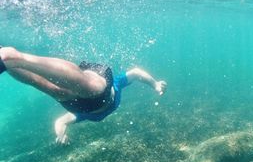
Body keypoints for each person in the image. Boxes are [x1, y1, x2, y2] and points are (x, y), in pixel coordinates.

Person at [0, 46, 167, 144]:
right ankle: (16, 56)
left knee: (54, 90)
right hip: (100, 81)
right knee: (93, 88)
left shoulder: (80, 115)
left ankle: (6, 63)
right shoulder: (117, 83)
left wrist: (60, 134)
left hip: (78, 104)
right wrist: (155, 84)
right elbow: (136, 73)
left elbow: (61, 122)